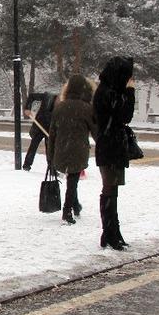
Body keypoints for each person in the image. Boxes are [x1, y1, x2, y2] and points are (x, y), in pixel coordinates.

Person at [93, 56, 135, 251]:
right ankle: (110, 233)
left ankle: (112, 232)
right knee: (110, 190)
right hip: (110, 146)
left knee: (112, 190)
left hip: (111, 145)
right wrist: (130, 92)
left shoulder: (106, 90)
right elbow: (125, 115)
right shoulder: (109, 93)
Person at [47, 75, 97, 225]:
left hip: (61, 148)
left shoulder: (60, 107)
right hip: (79, 148)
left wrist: (50, 155)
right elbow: (95, 131)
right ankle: (67, 210)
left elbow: (52, 134)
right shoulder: (87, 108)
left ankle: (75, 205)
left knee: (71, 178)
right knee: (73, 179)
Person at [22, 90, 58, 171]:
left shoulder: (63, 102)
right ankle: (26, 166)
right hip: (40, 124)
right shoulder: (47, 96)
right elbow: (31, 96)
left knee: (50, 148)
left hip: (51, 127)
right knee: (33, 145)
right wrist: (28, 108)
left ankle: (52, 169)